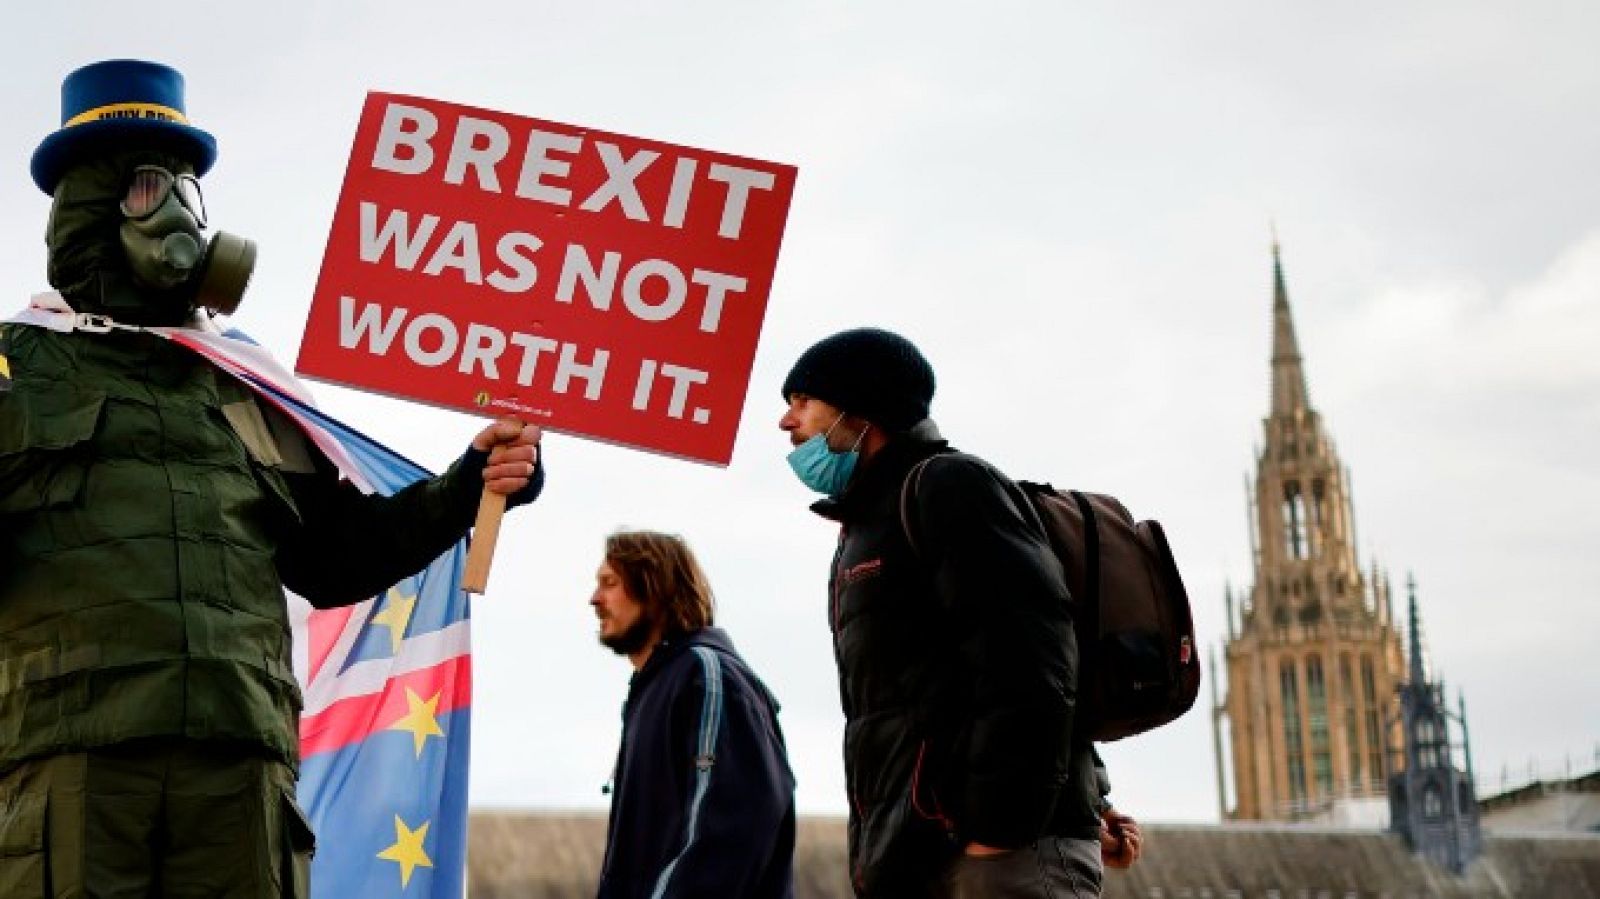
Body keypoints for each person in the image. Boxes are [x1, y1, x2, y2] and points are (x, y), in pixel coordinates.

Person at [0, 59, 544, 896]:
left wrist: (470, 483)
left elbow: (338, 557)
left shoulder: (239, 383)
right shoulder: (17, 367)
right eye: (148, 187)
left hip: (239, 762)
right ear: (88, 206)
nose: (177, 213)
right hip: (74, 762)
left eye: (187, 187)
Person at [777, 327, 1143, 897]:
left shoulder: (949, 486)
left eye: (802, 402)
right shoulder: (865, 526)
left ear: (860, 411)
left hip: (990, 861)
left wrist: (999, 829)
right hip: (920, 859)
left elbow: (1033, 658)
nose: (786, 423)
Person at [590, 530, 796, 898]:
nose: (594, 599)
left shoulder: (707, 676)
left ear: (653, 587)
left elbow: (734, 826)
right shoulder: (653, 689)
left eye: (610, 583)